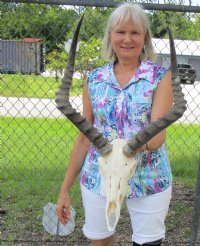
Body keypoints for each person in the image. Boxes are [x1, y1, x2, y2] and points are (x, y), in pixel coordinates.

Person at [56, 2, 174, 246]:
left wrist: (125, 149)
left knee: (148, 243)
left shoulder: (159, 76)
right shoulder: (96, 78)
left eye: (135, 32)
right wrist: (64, 189)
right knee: (100, 241)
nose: (127, 39)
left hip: (148, 175)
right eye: (120, 32)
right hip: (100, 175)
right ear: (111, 36)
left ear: (145, 38)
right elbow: (83, 138)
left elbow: (157, 136)